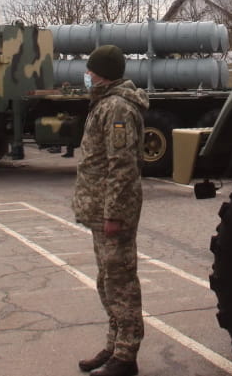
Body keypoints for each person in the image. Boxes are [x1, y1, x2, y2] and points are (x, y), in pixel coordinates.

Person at [72, 45, 148, 376]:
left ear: (102, 74)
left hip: (113, 212)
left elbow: (122, 165)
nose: (87, 76)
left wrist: (114, 214)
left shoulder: (117, 108)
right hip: (100, 210)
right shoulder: (103, 103)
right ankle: (114, 345)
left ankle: (126, 356)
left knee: (121, 282)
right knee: (107, 281)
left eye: (90, 71)